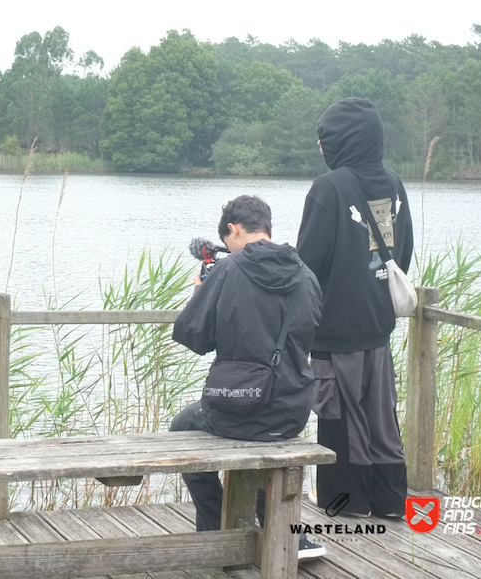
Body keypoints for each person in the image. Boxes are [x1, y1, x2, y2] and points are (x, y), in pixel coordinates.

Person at [170, 195, 326, 561]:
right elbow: (309, 335)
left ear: (233, 229)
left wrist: (199, 291)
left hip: (236, 408)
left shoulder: (228, 270)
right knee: (262, 442)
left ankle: (216, 528)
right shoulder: (307, 276)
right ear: (267, 228)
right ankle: (275, 526)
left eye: (227, 242)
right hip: (290, 411)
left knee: (181, 428)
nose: (228, 248)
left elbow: (194, 337)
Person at [296, 97, 413, 519]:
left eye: (324, 140)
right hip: (378, 325)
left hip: (335, 327)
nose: (321, 148)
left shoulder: (329, 188)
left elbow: (307, 264)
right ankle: (390, 502)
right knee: (381, 416)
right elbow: (404, 252)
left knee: (340, 416)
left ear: (342, 141)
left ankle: (347, 504)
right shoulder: (394, 184)